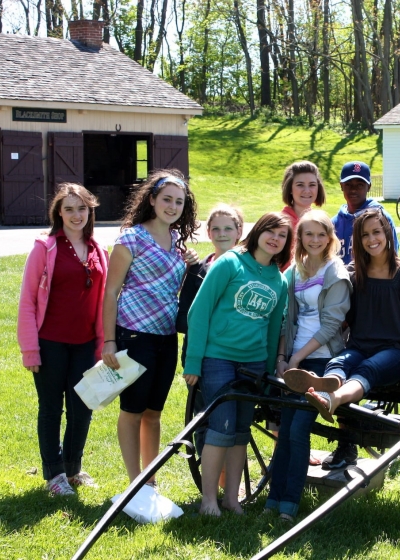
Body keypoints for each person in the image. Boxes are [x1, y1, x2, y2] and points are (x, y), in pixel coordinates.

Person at [290, 208, 400, 433]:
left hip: (394, 351)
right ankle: (325, 390)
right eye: (365, 235)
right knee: (338, 363)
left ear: (387, 233)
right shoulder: (354, 274)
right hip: (359, 346)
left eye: (376, 232)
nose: (372, 239)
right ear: (358, 241)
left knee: (367, 369)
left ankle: (332, 399)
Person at [183, 212, 291, 516]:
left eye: (281, 235)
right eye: (270, 231)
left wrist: (267, 371)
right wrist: (194, 361)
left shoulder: (279, 280)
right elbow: (199, 311)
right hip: (218, 358)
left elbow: (272, 331)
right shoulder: (230, 263)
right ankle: (208, 501)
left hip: (254, 363)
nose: (274, 239)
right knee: (221, 427)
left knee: (241, 430)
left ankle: (232, 499)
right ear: (257, 232)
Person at [101, 171, 198, 488]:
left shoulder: (179, 245)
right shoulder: (131, 238)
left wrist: (190, 264)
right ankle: (134, 483)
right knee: (132, 410)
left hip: (166, 338)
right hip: (133, 335)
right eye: (166, 199)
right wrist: (110, 341)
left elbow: (174, 291)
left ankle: (150, 481)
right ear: (152, 199)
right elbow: (110, 292)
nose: (172, 206)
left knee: (153, 413)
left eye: (179, 202)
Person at [17, 184, 108, 496]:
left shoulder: (98, 249)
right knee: (51, 408)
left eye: (82, 208)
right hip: (49, 343)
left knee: (83, 408)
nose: (76, 215)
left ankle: (73, 468)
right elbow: (28, 300)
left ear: (90, 211)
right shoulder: (45, 248)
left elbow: (104, 300)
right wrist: (30, 349)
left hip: (86, 345)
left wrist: (103, 342)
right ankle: (54, 475)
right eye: (69, 209)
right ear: (58, 212)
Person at [265, 210, 352, 521]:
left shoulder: (335, 272)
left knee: (299, 429)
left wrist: (298, 359)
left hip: (321, 357)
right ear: (299, 237)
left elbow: (331, 324)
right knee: (286, 429)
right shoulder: (295, 272)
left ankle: (288, 504)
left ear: (329, 237)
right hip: (293, 358)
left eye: (320, 234)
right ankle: (273, 500)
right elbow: (286, 320)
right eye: (308, 234)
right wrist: (281, 357)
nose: (314, 240)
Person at [176, 204, 244, 366]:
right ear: (208, 233)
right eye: (216, 229)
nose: (222, 234)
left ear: (239, 232)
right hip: (199, 351)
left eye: (228, 228)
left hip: (236, 352)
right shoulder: (197, 269)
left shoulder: (249, 269)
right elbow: (183, 317)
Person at [331, 161, 399, 264]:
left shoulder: (381, 218)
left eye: (360, 185)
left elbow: (393, 256)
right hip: (341, 278)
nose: (353, 190)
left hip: (373, 278)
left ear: (369, 187)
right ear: (341, 186)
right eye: (348, 184)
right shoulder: (334, 223)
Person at [280, 161, 327, 270]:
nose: (307, 190)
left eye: (312, 185)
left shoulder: (322, 222)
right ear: (290, 189)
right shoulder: (279, 223)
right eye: (300, 185)